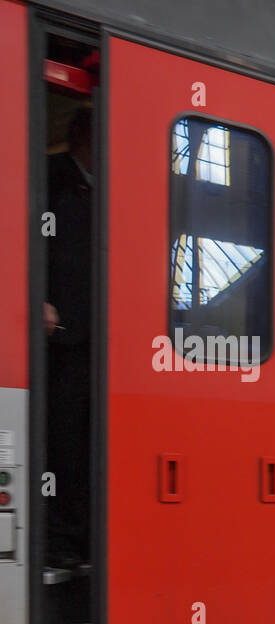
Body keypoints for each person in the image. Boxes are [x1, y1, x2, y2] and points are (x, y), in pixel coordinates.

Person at [44, 107, 93, 567]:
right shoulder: (50, 176)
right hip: (59, 336)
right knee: (62, 443)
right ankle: (58, 542)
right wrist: (36, 296)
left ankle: (84, 540)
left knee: (89, 444)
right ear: (80, 135)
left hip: (100, 341)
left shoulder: (112, 186)